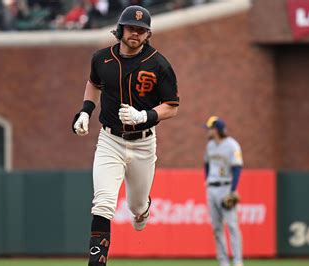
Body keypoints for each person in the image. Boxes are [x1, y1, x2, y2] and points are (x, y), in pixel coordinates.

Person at [72, 5, 179, 265]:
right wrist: (86, 111)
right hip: (110, 140)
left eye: (142, 30)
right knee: (103, 203)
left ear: (148, 34)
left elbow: (171, 107)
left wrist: (145, 116)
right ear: (120, 29)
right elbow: (93, 83)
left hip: (143, 144)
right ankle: (97, 263)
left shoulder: (159, 64)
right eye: (132, 27)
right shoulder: (101, 58)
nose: (136, 33)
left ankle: (143, 209)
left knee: (136, 208)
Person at [203, 116, 244, 266]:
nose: (207, 131)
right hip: (212, 188)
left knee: (232, 226)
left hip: (226, 187)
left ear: (216, 129)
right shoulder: (210, 146)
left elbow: (237, 168)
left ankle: (238, 261)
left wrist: (233, 191)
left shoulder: (232, 145)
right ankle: (223, 262)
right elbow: (206, 164)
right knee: (217, 228)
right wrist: (206, 180)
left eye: (209, 128)